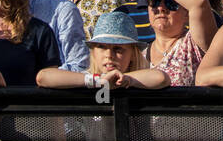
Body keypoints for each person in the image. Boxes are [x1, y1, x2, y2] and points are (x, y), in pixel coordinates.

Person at [37, 10, 167, 90]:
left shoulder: (140, 80)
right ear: (93, 51)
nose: (109, 55)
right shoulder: (85, 77)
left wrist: (124, 80)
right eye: (102, 47)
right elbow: (43, 77)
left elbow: (160, 78)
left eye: (118, 49)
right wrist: (98, 80)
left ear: (133, 54)